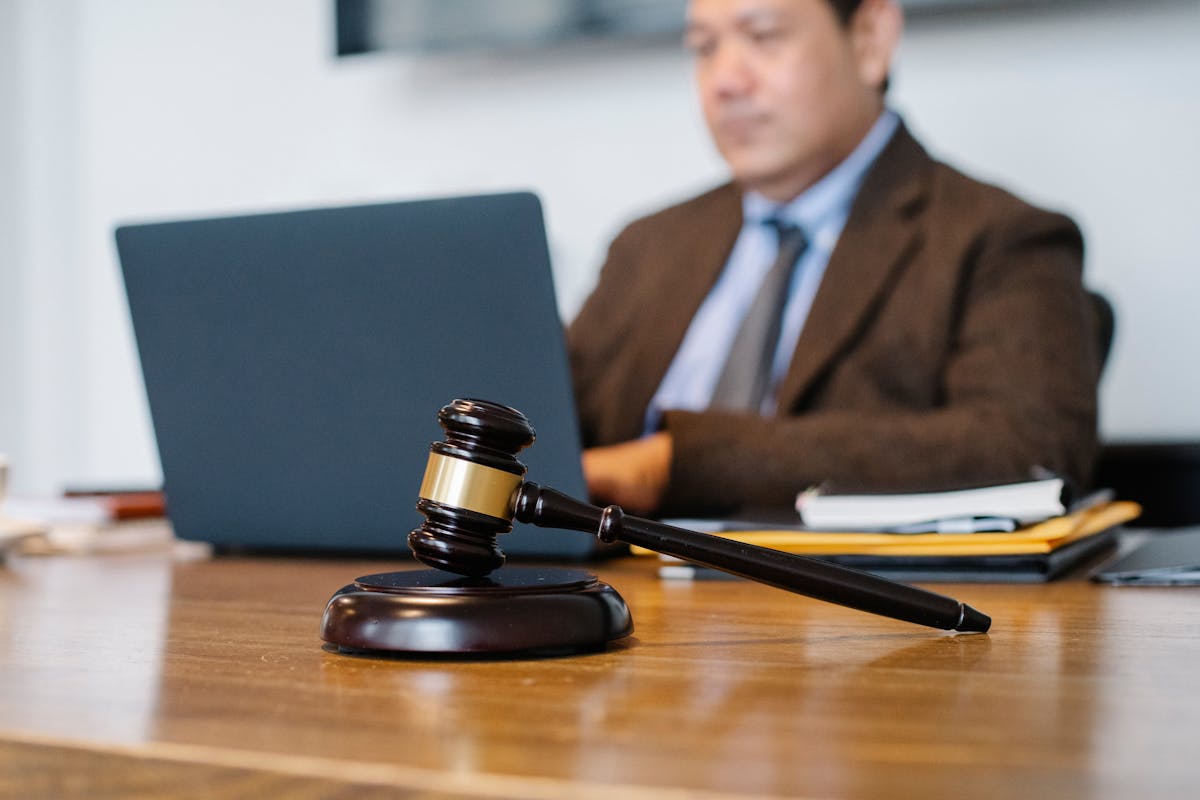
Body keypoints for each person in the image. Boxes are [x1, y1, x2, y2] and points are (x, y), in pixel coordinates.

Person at [568, 0, 1100, 517]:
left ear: (870, 41)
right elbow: (543, 424)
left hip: (840, 601)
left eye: (764, 36)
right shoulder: (647, 246)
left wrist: (677, 463)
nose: (724, 81)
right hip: (604, 593)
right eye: (704, 48)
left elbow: (1028, 446)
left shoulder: (999, 237)